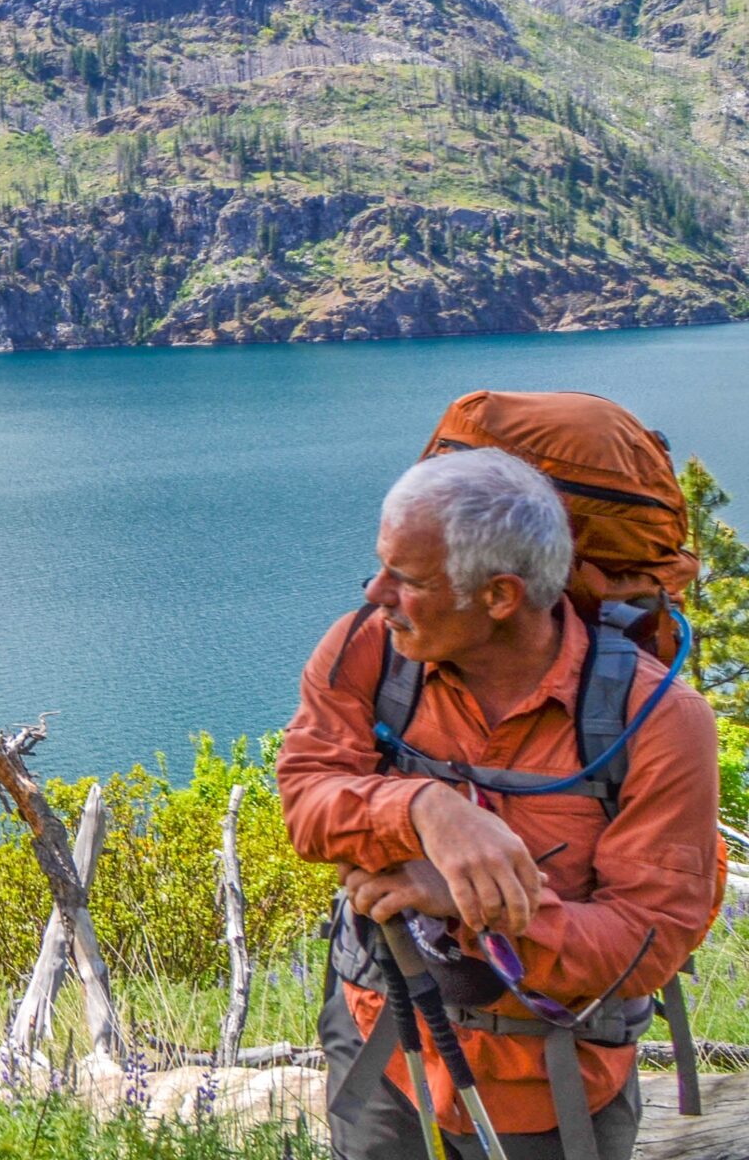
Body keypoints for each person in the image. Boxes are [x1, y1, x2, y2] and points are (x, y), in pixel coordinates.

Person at [279, 446, 720, 1160]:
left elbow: (644, 944)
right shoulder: (369, 648)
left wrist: (461, 897)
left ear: (499, 596)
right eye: (382, 566)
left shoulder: (657, 720)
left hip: (553, 1084)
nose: (375, 594)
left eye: (407, 578)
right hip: (386, 1053)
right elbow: (306, 801)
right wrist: (424, 809)